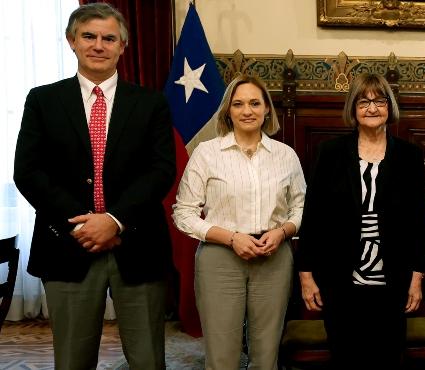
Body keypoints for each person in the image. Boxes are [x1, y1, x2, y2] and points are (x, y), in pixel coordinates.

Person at [12, 3, 174, 368]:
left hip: (137, 245)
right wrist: (86, 224)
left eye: (108, 38)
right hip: (67, 244)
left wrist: (114, 220)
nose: (98, 45)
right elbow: (28, 171)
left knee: (148, 358)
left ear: (122, 46)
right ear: (72, 41)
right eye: (89, 36)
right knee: (72, 359)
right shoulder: (42, 100)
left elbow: (161, 171)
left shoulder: (151, 104)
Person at [296, 73, 425, 369]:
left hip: (392, 280)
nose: (372, 107)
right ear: (353, 108)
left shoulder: (409, 155)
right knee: (345, 357)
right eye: (364, 101)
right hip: (340, 279)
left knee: (387, 357)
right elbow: (313, 217)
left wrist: (417, 278)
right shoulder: (329, 153)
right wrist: (306, 277)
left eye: (379, 100)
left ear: (389, 106)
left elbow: (420, 222)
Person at [172, 75, 306, 369]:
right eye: (239, 104)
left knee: (267, 353)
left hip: (274, 257)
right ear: (228, 111)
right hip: (220, 258)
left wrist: (283, 232)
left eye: (255, 103)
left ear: (267, 109)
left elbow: (301, 208)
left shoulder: (286, 156)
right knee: (222, 355)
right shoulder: (207, 153)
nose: (248, 110)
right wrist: (231, 238)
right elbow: (183, 213)